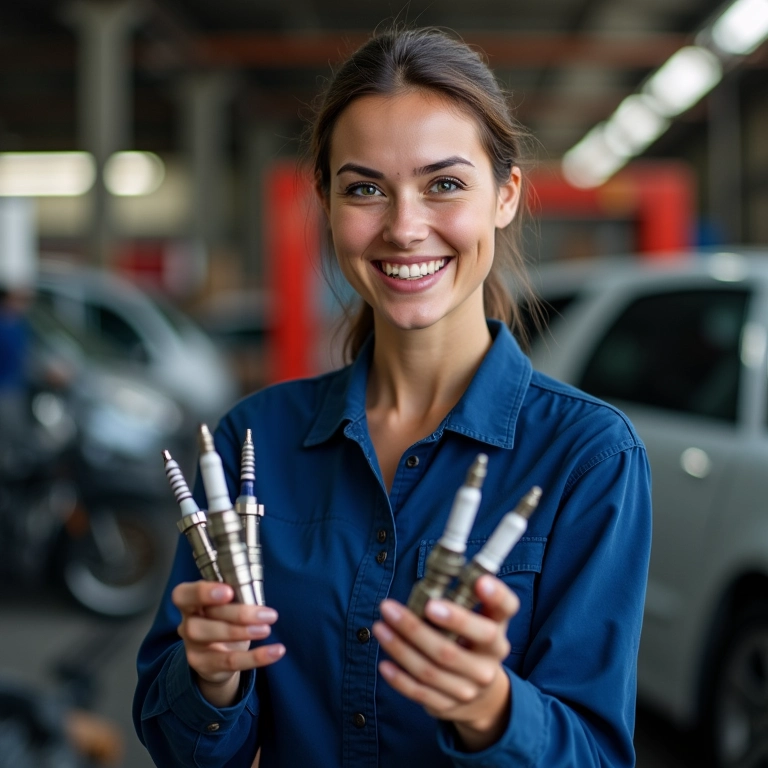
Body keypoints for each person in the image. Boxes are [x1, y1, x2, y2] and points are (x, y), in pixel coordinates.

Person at [133, 26, 651, 767]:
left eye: (444, 184)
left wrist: (492, 709)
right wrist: (211, 683)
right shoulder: (258, 440)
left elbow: (598, 753)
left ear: (505, 196)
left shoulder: (587, 457)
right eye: (366, 189)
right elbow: (179, 746)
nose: (405, 228)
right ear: (327, 202)